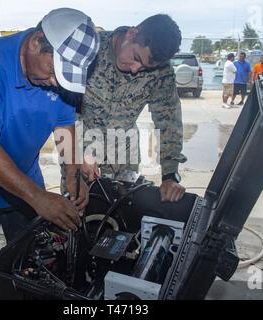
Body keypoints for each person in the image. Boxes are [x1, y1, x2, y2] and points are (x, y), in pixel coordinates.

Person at [0, 8, 100, 300]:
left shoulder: (57, 77)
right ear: (36, 42)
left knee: (35, 260)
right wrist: (39, 198)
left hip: (24, 178)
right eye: (54, 72)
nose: (56, 83)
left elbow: (65, 128)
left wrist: (73, 175)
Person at [63, 14, 197, 228]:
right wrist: (78, 154)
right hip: (79, 155)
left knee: (124, 222)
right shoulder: (89, 50)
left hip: (124, 157)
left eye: (145, 68)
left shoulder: (161, 72)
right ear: (132, 33)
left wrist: (170, 174)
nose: (136, 69)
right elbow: (63, 107)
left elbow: (169, 119)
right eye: (136, 57)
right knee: (76, 222)